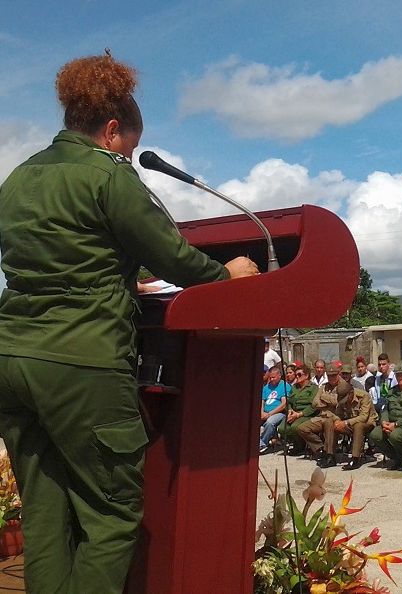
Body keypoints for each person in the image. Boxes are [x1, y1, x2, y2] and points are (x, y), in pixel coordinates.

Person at [0, 53, 259, 593]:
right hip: (82, 364)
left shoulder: (19, 177)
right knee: (112, 517)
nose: (131, 157)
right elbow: (175, 259)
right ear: (113, 129)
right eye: (132, 148)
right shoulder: (108, 176)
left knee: (46, 512)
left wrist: (121, 282)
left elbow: (53, 262)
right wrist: (228, 272)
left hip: (13, 359)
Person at [368, 364, 402, 470]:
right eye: (398, 375)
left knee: (395, 435)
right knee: (375, 434)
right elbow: (385, 408)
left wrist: (396, 424)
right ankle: (396, 458)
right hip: (391, 423)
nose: (400, 377)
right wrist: (384, 421)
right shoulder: (392, 390)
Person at [298, 363, 351, 467]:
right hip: (322, 415)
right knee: (302, 428)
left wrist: (324, 397)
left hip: (335, 417)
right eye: (329, 376)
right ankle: (321, 449)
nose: (331, 378)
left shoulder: (343, 386)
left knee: (329, 423)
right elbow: (315, 402)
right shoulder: (324, 386)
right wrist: (327, 401)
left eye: (333, 375)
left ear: (338, 374)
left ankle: (330, 456)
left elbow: (337, 403)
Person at [281, 363, 319, 452]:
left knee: (295, 427)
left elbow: (314, 406)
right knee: (282, 428)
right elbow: (288, 401)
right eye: (296, 374)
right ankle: (296, 442)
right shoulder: (294, 387)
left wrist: (299, 414)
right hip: (293, 413)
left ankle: (300, 446)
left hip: (306, 414)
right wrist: (290, 411)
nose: (296, 377)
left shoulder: (314, 388)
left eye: (299, 374)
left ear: (306, 376)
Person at [260, 366, 289, 454]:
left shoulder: (284, 386)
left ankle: (262, 444)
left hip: (279, 413)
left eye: (273, 377)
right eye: (270, 377)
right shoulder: (266, 387)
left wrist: (269, 414)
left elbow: (283, 404)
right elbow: (262, 401)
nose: (271, 379)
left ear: (279, 376)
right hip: (265, 412)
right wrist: (262, 413)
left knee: (270, 422)